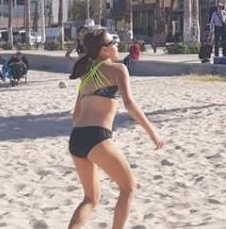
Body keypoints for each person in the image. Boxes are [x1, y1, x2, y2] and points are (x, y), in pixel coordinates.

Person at [67, 28, 164, 228]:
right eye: (113, 43)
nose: (117, 46)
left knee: (90, 198)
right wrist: (152, 131)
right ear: (103, 51)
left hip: (76, 138)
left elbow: (76, 115)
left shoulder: (86, 75)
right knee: (129, 188)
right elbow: (130, 104)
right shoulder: (118, 69)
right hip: (97, 137)